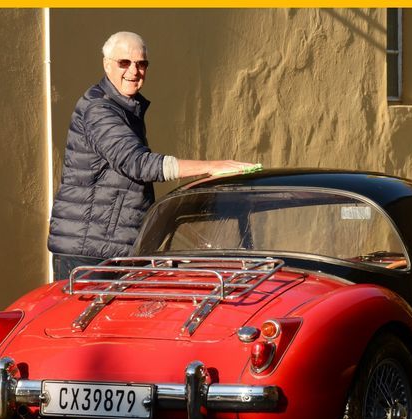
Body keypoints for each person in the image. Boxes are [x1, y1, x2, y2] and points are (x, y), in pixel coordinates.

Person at [46, 31, 255, 279]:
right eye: (124, 62)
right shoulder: (99, 109)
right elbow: (138, 164)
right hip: (89, 255)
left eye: (141, 64)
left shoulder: (125, 108)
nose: (133, 71)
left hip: (115, 250)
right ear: (106, 64)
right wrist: (211, 167)